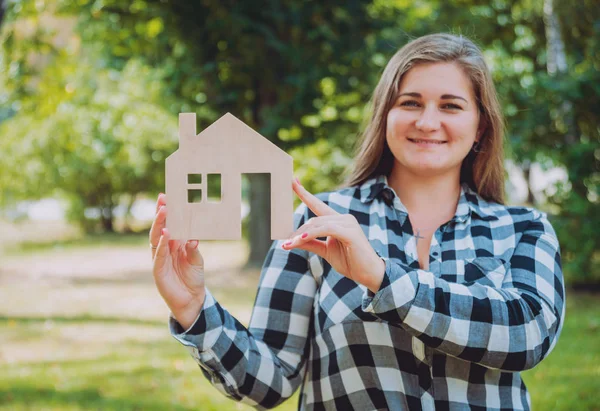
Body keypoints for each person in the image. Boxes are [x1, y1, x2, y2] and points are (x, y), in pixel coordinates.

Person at [149, 33, 565, 410]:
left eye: (451, 106)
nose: (426, 121)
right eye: (410, 103)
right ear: (386, 116)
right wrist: (194, 309)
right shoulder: (319, 222)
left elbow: (527, 336)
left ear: (480, 129)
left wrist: (385, 280)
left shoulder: (524, 229)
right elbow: (269, 382)